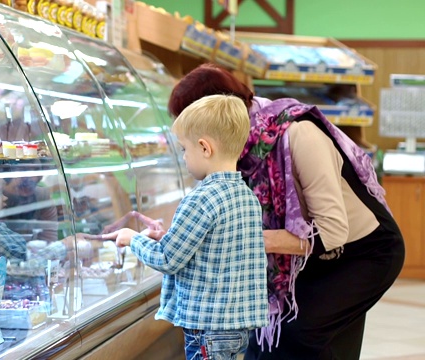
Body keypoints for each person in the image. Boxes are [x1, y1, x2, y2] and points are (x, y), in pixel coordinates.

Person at [168, 63, 405, 359]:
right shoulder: (236, 151)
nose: (191, 148)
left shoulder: (298, 134)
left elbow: (332, 230)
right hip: (309, 255)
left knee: (299, 335)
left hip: (364, 252)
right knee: (264, 341)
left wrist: (253, 238)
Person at [101, 95, 269, 360]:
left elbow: (167, 259)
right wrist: (168, 236)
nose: (183, 157)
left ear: (204, 148)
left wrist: (132, 238)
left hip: (207, 330)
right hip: (236, 328)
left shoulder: (200, 198)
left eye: (184, 149)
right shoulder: (246, 195)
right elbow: (216, 247)